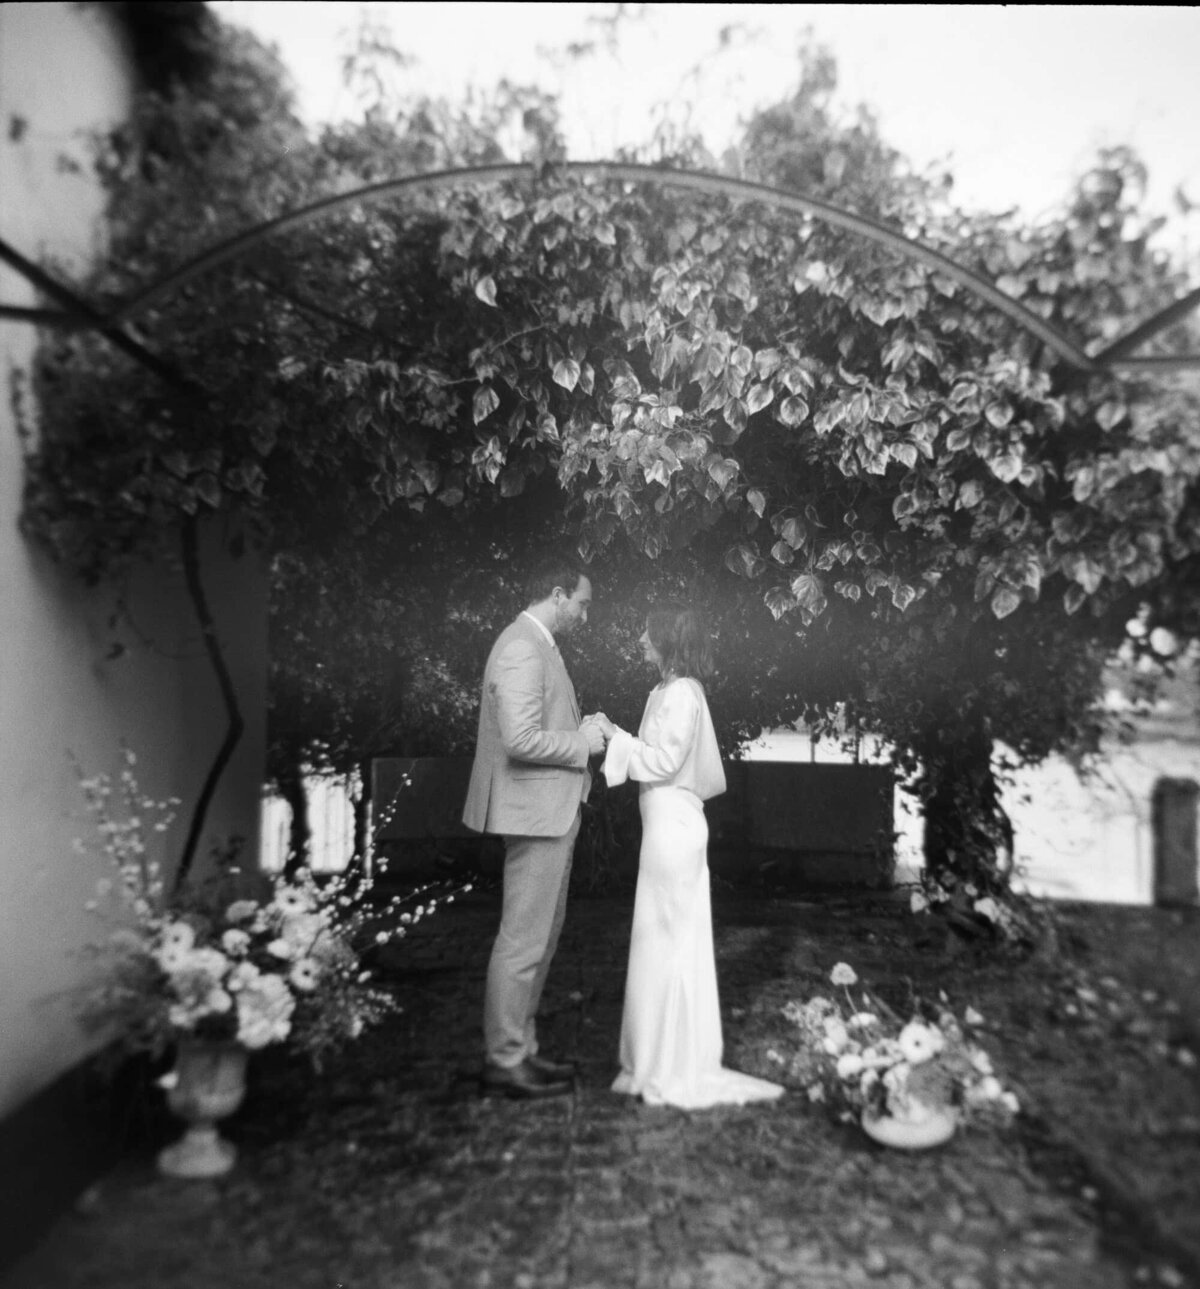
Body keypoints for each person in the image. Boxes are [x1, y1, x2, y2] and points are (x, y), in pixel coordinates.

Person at [593, 606, 784, 1109]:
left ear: (666, 642)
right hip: (661, 826)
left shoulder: (682, 694)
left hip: (674, 829)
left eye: (646, 632)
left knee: (671, 938)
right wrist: (621, 737)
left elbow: (662, 761)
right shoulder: (663, 691)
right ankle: (656, 1054)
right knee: (657, 936)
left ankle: (675, 1062)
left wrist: (615, 737)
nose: (639, 638)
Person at [462, 560, 609, 1099]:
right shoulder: (524, 645)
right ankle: (504, 1059)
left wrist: (581, 728)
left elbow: (537, 727)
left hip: (547, 811)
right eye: (583, 602)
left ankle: (523, 1050)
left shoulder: (538, 644)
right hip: (535, 814)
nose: (585, 614)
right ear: (556, 593)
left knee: (540, 939)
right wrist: (583, 745)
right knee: (524, 939)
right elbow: (521, 740)